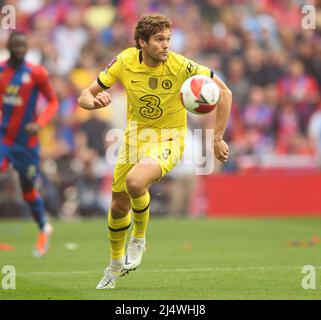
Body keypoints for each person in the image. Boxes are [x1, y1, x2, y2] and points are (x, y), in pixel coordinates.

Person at [78, 14, 232, 289]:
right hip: (134, 139)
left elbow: (225, 92)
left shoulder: (180, 65)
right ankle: (113, 267)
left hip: (170, 139)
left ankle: (138, 239)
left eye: (168, 39)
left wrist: (217, 138)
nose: (166, 45)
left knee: (136, 182)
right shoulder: (125, 61)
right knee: (117, 207)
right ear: (142, 42)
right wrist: (93, 102)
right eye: (159, 40)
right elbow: (85, 95)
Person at [0, 31, 59, 257]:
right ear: (8, 46)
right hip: (4, 137)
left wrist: (40, 122)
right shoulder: (2, 71)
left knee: (28, 190)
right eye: (16, 45)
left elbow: (53, 102)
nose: (20, 49)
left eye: (23, 46)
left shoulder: (36, 73)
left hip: (27, 142)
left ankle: (44, 226)